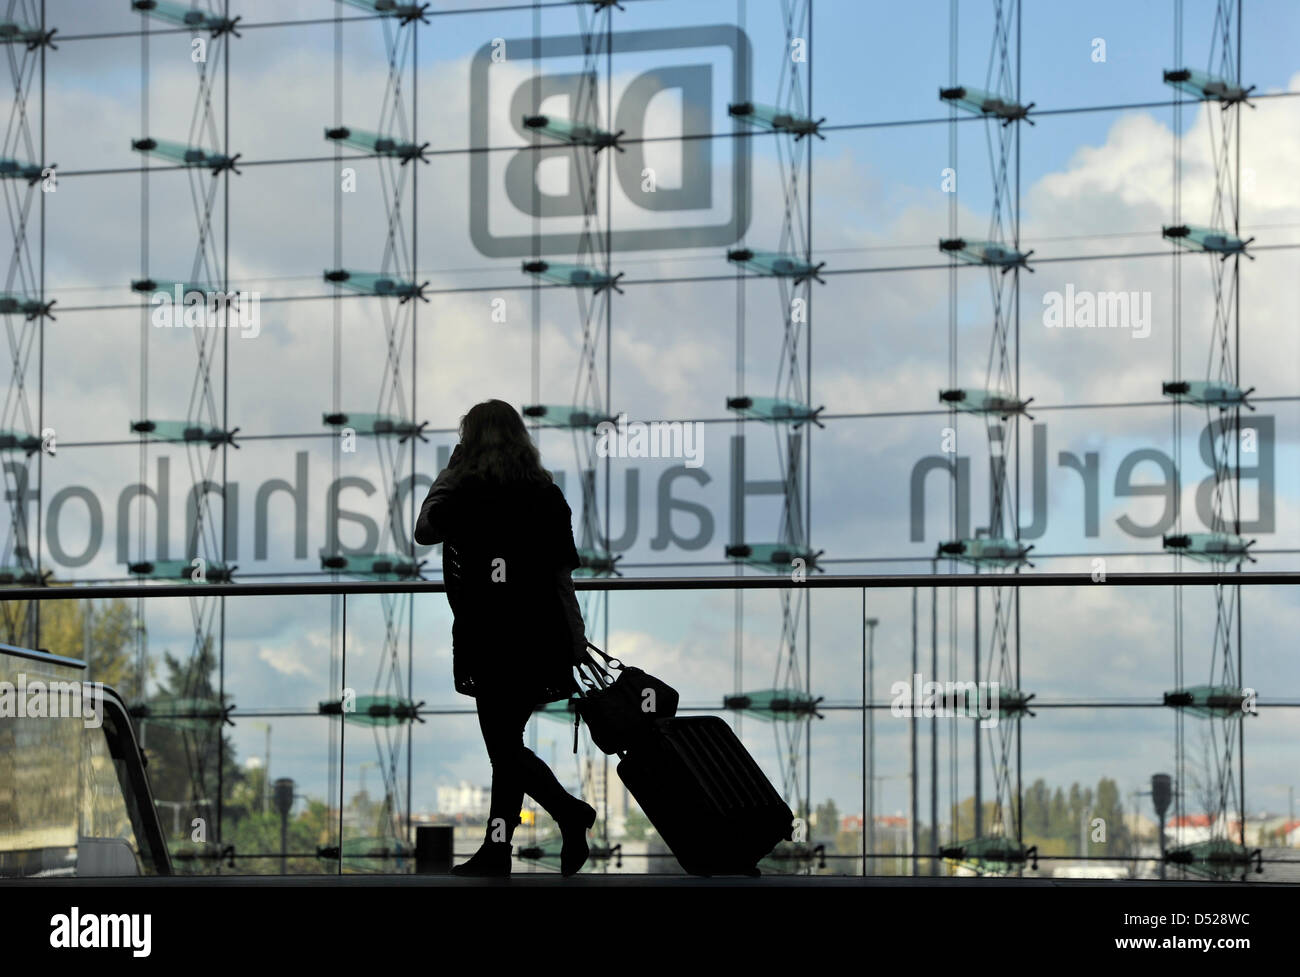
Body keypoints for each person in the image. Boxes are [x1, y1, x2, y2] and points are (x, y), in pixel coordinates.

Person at [414, 399, 597, 877]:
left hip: (487, 634)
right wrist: (575, 638)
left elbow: (423, 530)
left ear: (469, 441)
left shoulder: (466, 492)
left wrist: (448, 472)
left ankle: (564, 815)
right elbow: (561, 577)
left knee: (502, 746)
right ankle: (501, 846)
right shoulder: (545, 495)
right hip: (539, 635)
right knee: (506, 744)